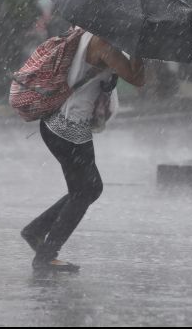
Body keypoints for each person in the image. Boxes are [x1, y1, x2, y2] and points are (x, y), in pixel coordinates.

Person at [21, 28, 145, 272]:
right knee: (86, 191)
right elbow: (137, 78)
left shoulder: (81, 33)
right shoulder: (104, 44)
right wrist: (142, 48)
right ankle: (46, 256)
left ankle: (36, 230)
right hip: (69, 129)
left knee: (86, 189)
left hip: (58, 123)